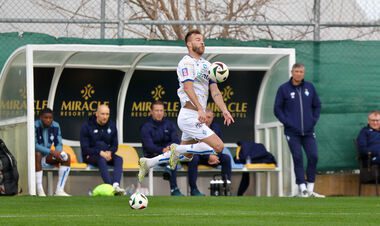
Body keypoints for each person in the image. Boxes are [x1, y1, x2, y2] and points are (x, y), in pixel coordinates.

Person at [138, 29, 235, 191]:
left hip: (196, 115)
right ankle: (177, 149)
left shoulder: (207, 65)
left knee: (187, 155)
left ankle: (149, 162)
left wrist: (224, 110)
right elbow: (188, 87)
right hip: (190, 115)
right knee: (218, 146)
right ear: (189, 44)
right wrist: (200, 110)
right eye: (198, 39)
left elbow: (215, 91)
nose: (202, 42)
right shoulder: (186, 63)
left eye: (203, 39)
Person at [274, 63, 324, 198]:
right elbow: (277, 109)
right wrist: (288, 122)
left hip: (308, 131)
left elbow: (317, 105)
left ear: (304, 73)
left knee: (313, 157)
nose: (299, 74)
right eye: (296, 71)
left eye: (301, 71)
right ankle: (302, 189)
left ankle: (310, 188)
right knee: (297, 158)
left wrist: (313, 120)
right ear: (292, 72)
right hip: (292, 132)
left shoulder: (310, 87)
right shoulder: (283, 89)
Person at [139, 101, 184, 196]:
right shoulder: (146, 127)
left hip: (168, 153)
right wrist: (162, 150)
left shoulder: (169, 124)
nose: (159, 113)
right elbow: (148, 146)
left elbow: (175, 140)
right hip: (152, 155)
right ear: (151, 111)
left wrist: (168, 148)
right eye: (156, 110)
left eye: (161, 110)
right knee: (173, 156)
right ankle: (174, 189)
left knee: (176, 154)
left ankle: (170, 171)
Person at [80, 104, 125, 195]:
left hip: (107, 155)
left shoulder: (112, 125)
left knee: (119, 159)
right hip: (91, 156)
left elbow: (115, 145)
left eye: (107, 114)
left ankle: (116, 185)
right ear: (96, 114)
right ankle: (109, 187)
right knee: (101, 159)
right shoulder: (87, 126)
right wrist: (100, 152)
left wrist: (110, 152)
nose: (105, 117)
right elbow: (85, 148)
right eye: (103, 114)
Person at [186, 108, 232, 196]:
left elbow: (220, 145)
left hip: (213, 157)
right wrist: (208, 157)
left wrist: (215, 156)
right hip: (199, 156)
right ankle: (193, 189)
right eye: (205, 117)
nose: (207, 119)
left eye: (209, 117)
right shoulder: (196, 126)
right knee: (193, 158)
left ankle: (226, 188)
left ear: (213, 118)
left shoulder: (216, 128)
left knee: (226, 158)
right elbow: (196, 147)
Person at [35, 108, 71, 196]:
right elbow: (34, 145)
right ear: (40, 118)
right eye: (45, 118)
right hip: (34, 159)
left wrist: (58, 153)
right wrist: (51, 152)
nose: (48, 120)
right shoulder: (34, 125)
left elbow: (58, 143)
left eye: (50, 118)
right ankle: (40, 190)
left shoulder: (55, 126)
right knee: (37, 154)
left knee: (66, 157)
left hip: (47, 157)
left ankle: (59, 190)